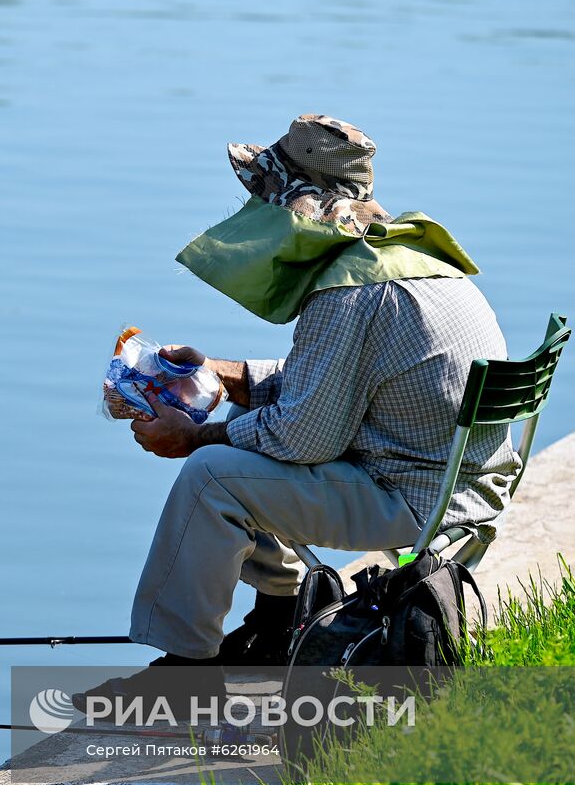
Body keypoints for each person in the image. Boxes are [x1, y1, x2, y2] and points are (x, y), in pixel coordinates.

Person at [77, 114, 519, 712]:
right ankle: (280, 625)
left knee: (213, 474)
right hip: (463, 482)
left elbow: (303, 436)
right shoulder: (409, 259)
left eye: (263, 203)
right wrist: (218, 374)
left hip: (414, 501)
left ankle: (184, 675)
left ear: (295, 212)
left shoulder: (349, 292)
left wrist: (194, 437)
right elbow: (331, 386)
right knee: (240, 456)